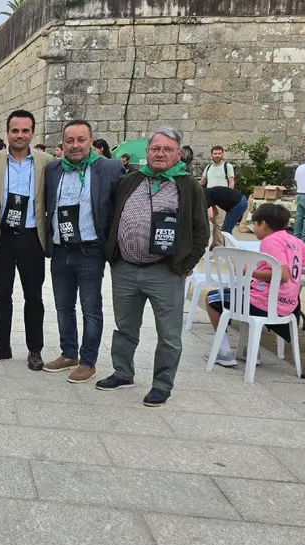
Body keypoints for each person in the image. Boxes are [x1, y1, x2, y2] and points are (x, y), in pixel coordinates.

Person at [100, 126, 209, 407]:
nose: (160, 153)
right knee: (124, 327)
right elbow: (114, 215)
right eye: (155, 148)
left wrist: (186, 264)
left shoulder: (188, 185)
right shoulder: (132, 179)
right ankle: (123, 372)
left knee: (169, 333)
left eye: (167, 149)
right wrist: (113, 253)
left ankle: (162, 384)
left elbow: (201, 230)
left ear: (178, 153)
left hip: (165, 271)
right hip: (125, 268)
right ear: (148, 151)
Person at [43, 119, 124, 383]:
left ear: (91, 141)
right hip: (60, 249)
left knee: (91, 307)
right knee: (63, 306)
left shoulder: (109, 169)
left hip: (91, 250)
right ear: (63, 144)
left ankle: (88, 361)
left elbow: (120, 208)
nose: (75, 145)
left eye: (80, 140)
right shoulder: (53, 169)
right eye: (70, 141)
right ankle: (69, 353)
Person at [0, 110, 54, 369]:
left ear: (32, 132)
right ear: (7, 132)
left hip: (32, 238)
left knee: (33, 297)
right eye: (15, 130)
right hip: (4, 238)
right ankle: (1, 345)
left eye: (25, 131)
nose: (19, 135)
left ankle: (35, 350)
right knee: (2, 295)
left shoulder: (47, 162)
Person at [206, 203, 305, 367]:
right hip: (288, 304)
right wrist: (292, 262)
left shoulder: (270, 241)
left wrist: (249, 271)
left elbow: (283, 275)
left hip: (266, 302)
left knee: (212, 299)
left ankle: (224, 351)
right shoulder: (294, 240)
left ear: (263, 224)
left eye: (254, 223)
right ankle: (250, 350)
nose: (253, 227)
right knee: (242, 294)